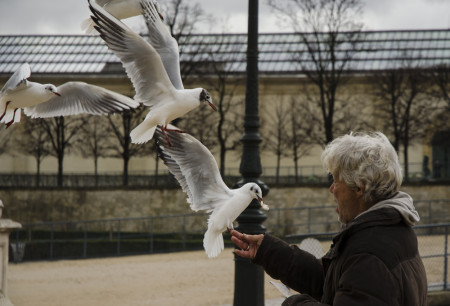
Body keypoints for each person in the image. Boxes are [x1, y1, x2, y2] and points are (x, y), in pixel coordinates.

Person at [231, 131, 428, 305]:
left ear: (359, 187)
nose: (331, 189)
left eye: (336, 180)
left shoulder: (370, 253)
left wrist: (294, 303)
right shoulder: (388, 229)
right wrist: (270, 251)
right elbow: (336, 283)